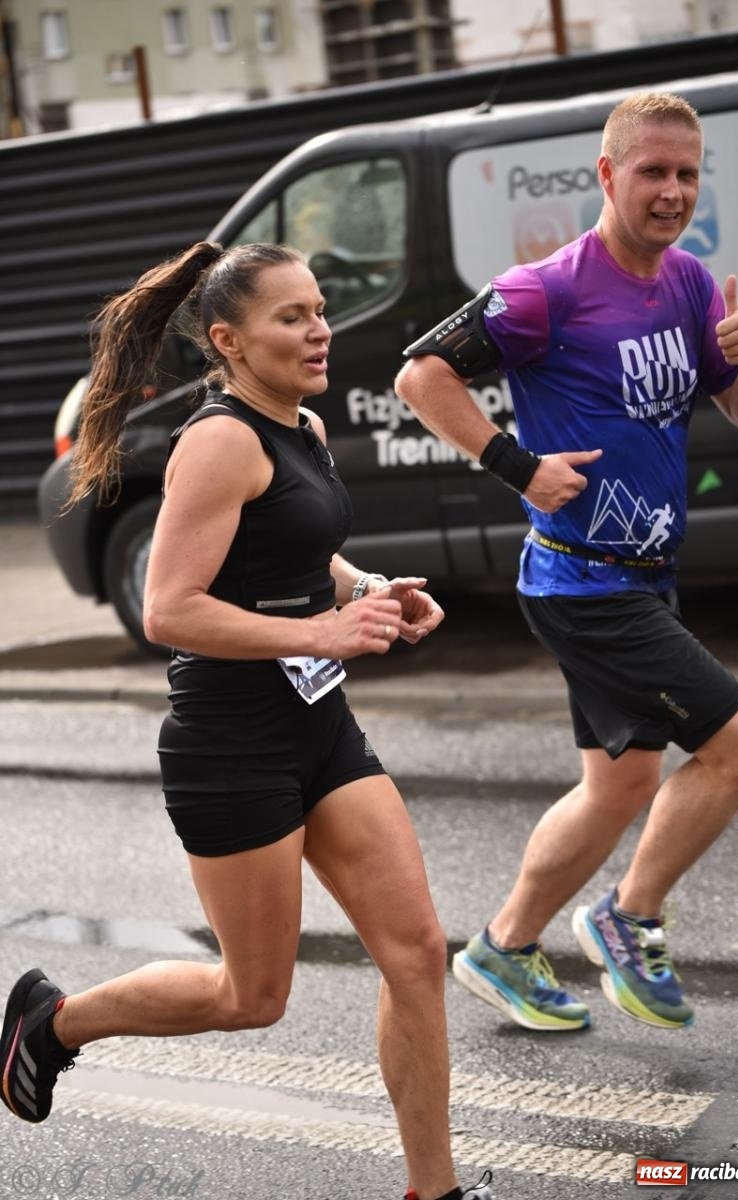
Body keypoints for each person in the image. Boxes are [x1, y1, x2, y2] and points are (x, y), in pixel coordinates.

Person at [0, 241, 494, 1200]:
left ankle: (433, 1193)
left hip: (319, 729)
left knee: (417, 953)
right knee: (251, 996)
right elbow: (168, 609)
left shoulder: (299, 424)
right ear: (226, 340)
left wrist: (372, 592)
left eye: (318, 310)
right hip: (232, 745)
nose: (318, 330)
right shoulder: (219, 440)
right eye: (292, 317)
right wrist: (323, 627)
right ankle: (53, 1023)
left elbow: (297, 554)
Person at [394, 91, 738, 1033]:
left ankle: (502, 946)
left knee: (619, 785)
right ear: (607, 176)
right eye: (652, 171)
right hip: (582, 578)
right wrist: (514, 465)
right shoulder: (548, 289)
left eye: (686, 174)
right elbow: (419, 374)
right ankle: (626, 915)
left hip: (642, 573)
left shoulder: (689, 285)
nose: (671, 191)